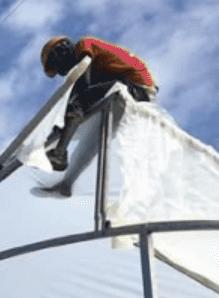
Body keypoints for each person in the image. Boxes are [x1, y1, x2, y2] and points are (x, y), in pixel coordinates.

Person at [32, 35, 158, 196]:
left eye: (56, 66)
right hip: (127, 92)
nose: (62, 73)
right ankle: (66, 183)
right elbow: (74, 99)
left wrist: (69, 111)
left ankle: (59, 154)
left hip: (134, 87)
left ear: (61, 51)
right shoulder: (94, 70)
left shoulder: (84, 45)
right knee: (90, 140)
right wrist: (47, 141)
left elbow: (81, 88)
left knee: (77, 103)